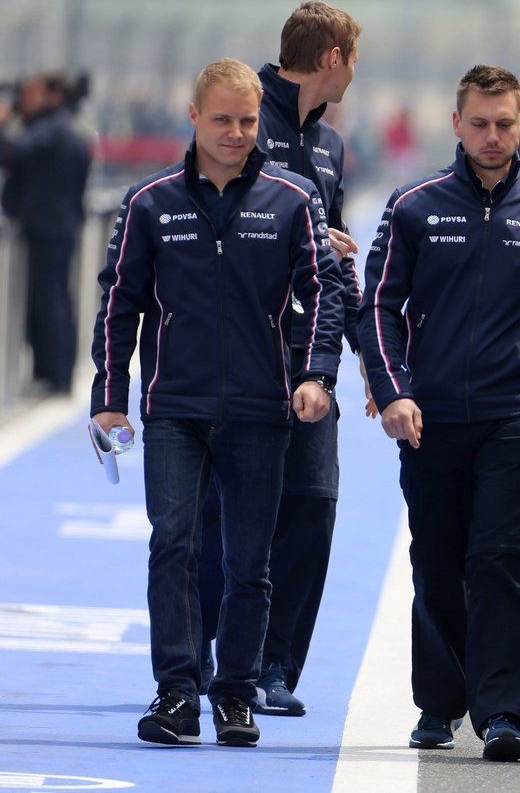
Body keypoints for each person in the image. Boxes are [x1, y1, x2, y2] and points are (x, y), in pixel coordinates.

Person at [89, 58, 344, 748]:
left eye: (248, 119)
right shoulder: (150, 201)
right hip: (174, 405)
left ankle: (235, 694)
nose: (236, 132)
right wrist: (111, 395)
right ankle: (176, 689)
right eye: (223, 118)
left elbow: (325, 290)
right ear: (194, 116)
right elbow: (120, 301)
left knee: (248, 561)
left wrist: (319, 375)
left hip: (262, 410)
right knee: (172, 545)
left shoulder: (293, 199)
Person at [357, 64, 520, 761]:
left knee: (507, 561)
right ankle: (440, 700)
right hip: (429, 417)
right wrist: (393, 387)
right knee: (437, 560)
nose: (493, 137)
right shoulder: (414, 205)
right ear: (456, 124)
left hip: (514, 414)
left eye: (505, 124)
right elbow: (377, 306)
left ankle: (503, 713)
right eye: (480, 123)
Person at [195, 0, 364, 718]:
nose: (355, 71)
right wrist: (299, 241)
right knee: (222, 512)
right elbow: (206, 219)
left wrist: (378, 364)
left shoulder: (329, 144)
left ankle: (275, 666)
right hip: (238, 354)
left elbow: (337, 247)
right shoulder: (241, 119)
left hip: (310, 357)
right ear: (332, 58)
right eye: (354, 58)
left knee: (312, 506)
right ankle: (207, 654)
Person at [0, 71, 92, 395]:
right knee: (51, 299)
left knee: (49, 300)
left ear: (51, 95)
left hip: (50, 226)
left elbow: (15, 153)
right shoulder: (64, 128)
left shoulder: (51, 129)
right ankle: (50, 373)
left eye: (30, 94)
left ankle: (55, 375)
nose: (23, 101)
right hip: (56, 224)